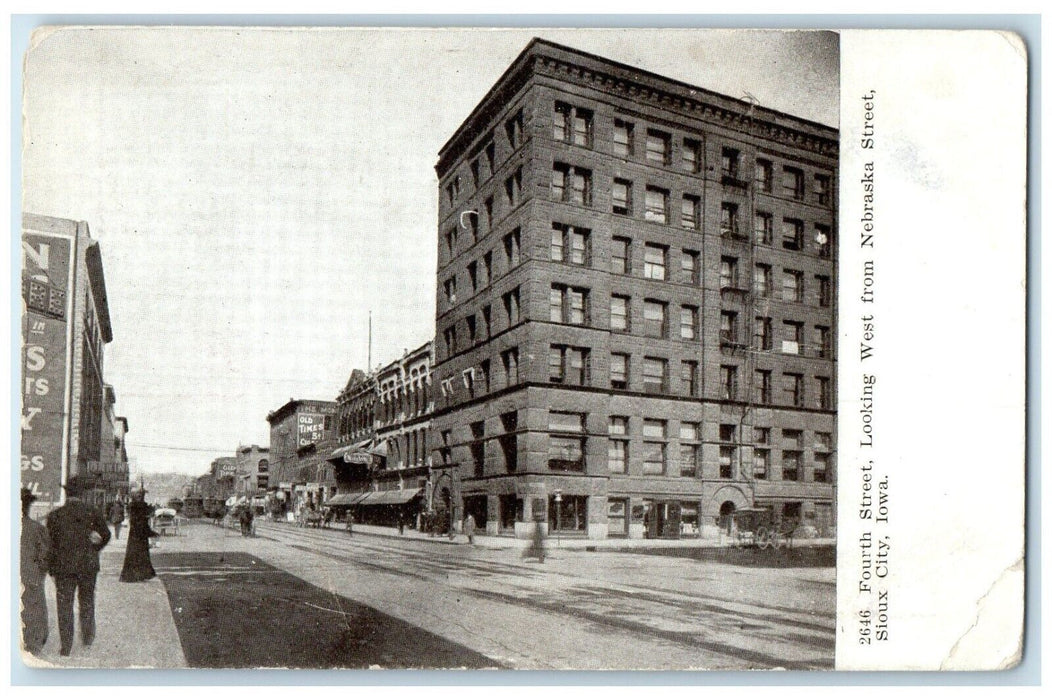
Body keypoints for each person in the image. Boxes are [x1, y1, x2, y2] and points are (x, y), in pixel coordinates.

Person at [46, 475, 111, 656]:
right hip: (88, 565)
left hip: (63, 567)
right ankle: (88, 638)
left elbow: (50, 545)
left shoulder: (55, 515)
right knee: (87, 601)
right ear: (82, 494)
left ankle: (66, 646)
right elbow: (106, 535)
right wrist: (95, 549)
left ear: (67, 494)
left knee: (64, 605)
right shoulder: (92, 512)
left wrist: (51, 568)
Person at [20, 488, 50, 655]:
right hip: (30, 576)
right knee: (33, 610)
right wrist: (39, 572)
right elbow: (44, 556)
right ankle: (31, 645)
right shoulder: (37, 528)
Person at [120, 490, 158, 583]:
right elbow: (140, 522)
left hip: (137, 535)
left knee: (138, 555)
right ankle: (136, 575)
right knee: (138, 555)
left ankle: (139, 575)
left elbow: (141, 522)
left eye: (141, 496)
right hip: (138, 535)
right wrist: (150, 532)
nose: (140, 498)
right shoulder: (137, 507)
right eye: (139, 496)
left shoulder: (137, 507)